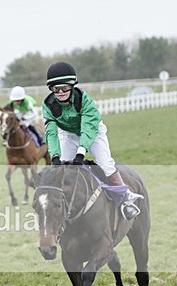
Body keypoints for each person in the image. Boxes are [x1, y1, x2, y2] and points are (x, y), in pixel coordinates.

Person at [42, 62, 143, 220]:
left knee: (106, 164)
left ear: (72, 86)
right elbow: (50, 132)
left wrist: (81, 152)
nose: (60, 92)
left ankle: (125, 200)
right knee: (62, 167)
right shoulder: (48, 105)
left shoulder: (84, 101)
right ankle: (62, 204)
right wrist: (55, 156)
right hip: (67, 133)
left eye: (64, 88)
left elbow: (87, 128)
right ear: (51, 89)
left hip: (93, 131)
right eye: (56, 89)